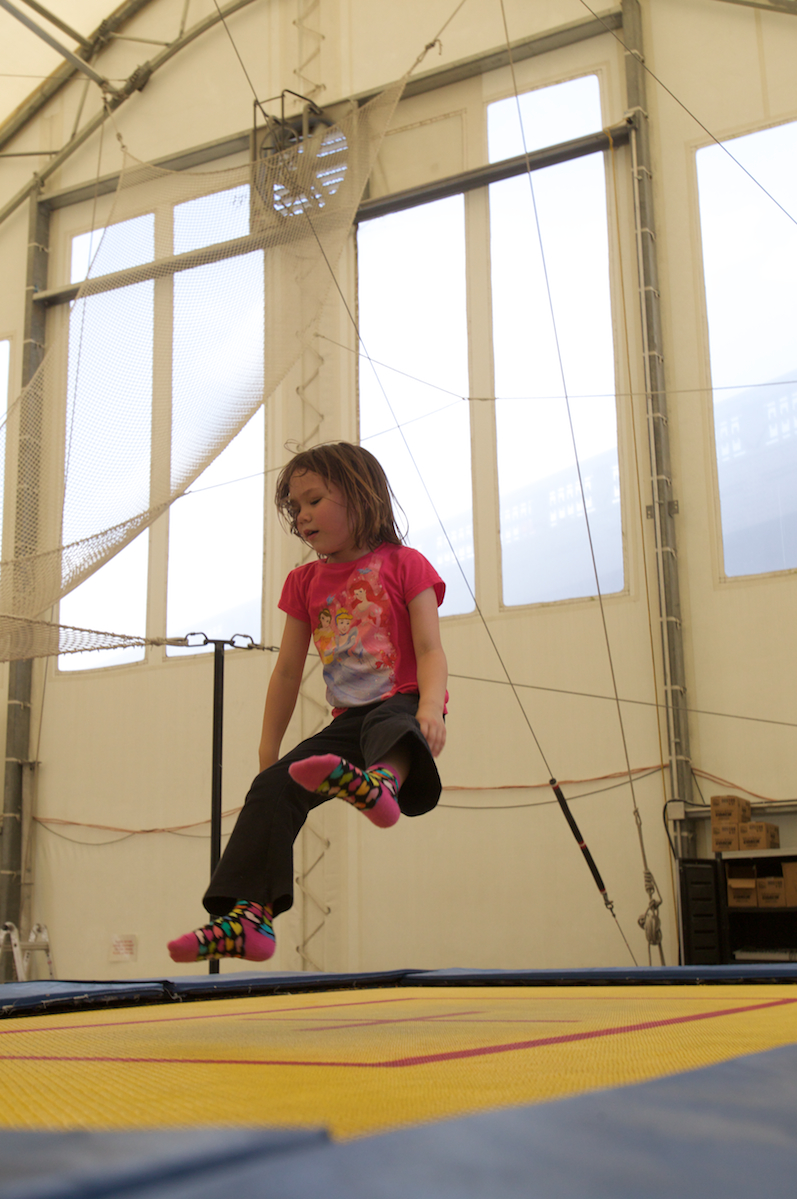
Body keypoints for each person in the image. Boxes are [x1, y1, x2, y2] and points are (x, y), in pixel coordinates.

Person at [167, 441, 448, 963]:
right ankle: (250, 917)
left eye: (314, 500)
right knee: (273, 789)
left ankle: (383, 784)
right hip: (348, 722)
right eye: (296, 507)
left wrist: (430, 705)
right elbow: (287, 672)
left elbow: (431, 648)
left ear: (361, 498)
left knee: (391, 723)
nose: (302, 516)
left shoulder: (405, 564)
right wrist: (267, 752)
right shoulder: (304, 583)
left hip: (403, 702)